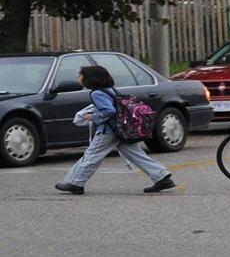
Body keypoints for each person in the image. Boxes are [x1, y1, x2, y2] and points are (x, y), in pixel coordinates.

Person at [56, 66, 176, 195]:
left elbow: (109, 111)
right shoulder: (110, 90)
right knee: (136, 155)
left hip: (108, 131)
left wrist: (93, 116)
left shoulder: (96, 93)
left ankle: (76, 183)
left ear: (90, 78)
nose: (79, 78)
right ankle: (162, 177)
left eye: (81, 75)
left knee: (91, 156)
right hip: (120, 130)